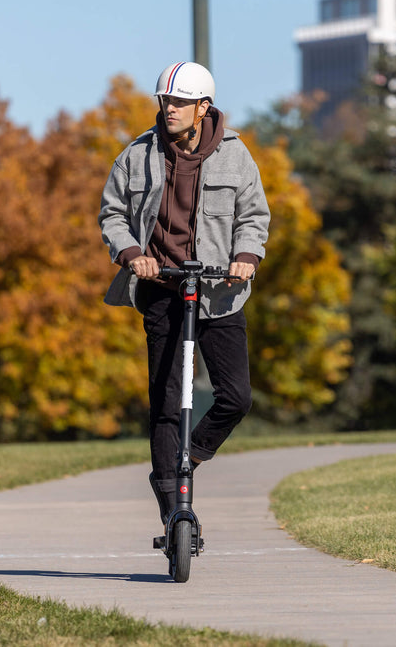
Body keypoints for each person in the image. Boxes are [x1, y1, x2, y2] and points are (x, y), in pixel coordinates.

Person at [98, 61, 270, 525]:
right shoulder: (137, 154)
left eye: (178, 102)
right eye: (164, 101)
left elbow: (254, 216)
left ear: (203, 108)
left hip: (219, 290)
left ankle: (187, 458)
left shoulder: (236, 155)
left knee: (235, 397)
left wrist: (246, 257)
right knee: (168, 400)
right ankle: (173, 504)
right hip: (161, 288)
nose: (168, 109)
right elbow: (112, 213)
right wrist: (133, 253)